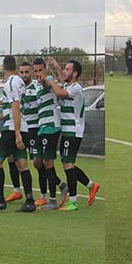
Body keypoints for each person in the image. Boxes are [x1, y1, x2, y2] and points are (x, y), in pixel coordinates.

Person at [47, 58, 100, 211]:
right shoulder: (68, 84)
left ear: (75, 74)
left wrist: (50, 80)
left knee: (68, 165)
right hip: (67, 131)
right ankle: (91, 185)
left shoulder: (76, 87)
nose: (64, 71)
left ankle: (73, 202)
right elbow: (62, 80)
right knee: (68, 164)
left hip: (73, 131)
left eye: (68, 69)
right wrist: (57, 67)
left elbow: (58, 91)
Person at [0, 55, 36, 212]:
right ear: (15, 67)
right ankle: (29, 201)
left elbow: (15, 106)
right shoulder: (19, 82)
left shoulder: (11, 82)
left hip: (13, 128)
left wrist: (17, 134)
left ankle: (0, 200)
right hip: (23, 126)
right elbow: (12, 104)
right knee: (22, 164)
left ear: (3, 67)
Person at [34, 57, 69, 210]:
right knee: (40, 162)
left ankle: (53, 200)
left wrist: (47, 76)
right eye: (35, 71)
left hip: (51, 127)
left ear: (45, 69)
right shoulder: (36, 85)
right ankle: (62, 186)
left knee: (48, 163)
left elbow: (49, 84)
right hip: (42, 127)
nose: (38, 73)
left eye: (40, 70)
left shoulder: (48, 81)